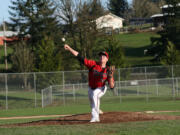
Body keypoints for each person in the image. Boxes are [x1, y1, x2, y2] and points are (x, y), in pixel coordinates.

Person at [64, 44, 115, 122]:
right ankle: (97, 110)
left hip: (101, 87)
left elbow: (112, 86)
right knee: (92, 99)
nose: (102, 57)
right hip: (91, 87)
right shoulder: (93, 64)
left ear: (107, 59)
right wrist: (69, 48)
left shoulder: (108, 70)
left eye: (104, 56)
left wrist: (111, 76)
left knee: (95, 94)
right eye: (100, 56)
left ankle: (95, 117)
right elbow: (80, 57)